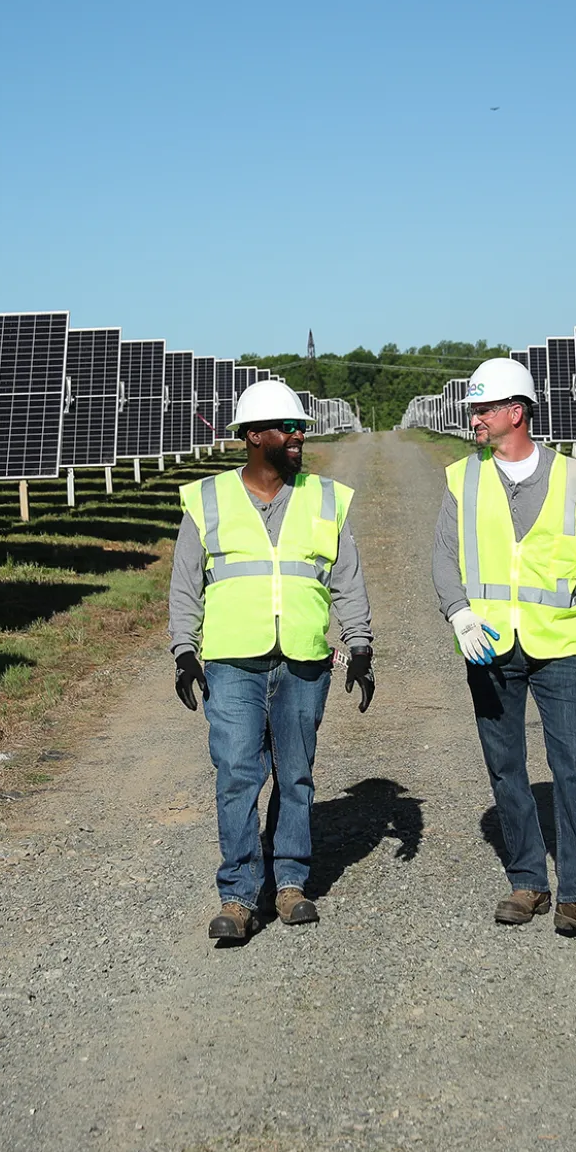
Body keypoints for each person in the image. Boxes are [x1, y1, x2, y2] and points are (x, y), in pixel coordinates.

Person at [169, 379, 374, 942]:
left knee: (296, 772)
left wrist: (359, 644)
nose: (298, 437)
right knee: (237, 771)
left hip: (305, 659)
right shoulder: (207, 499)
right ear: (255, 436)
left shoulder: (326, 497)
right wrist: (183, 650)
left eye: (300, 428)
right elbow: (186, 583)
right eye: (288, 428)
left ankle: (290, 882)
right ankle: (237, 896)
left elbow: (347, 578)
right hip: (233, 660)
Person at [431, 358, 576, 936]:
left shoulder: (575, 479)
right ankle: (527, 882)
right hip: (488, 646)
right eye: (474, 408)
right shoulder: (462, 480)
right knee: (506, 764)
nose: (475, 418)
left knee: (572, 765)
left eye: (484, 408)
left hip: (560, 645)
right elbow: (444, 557)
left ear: (515, 413)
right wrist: (460, 613)